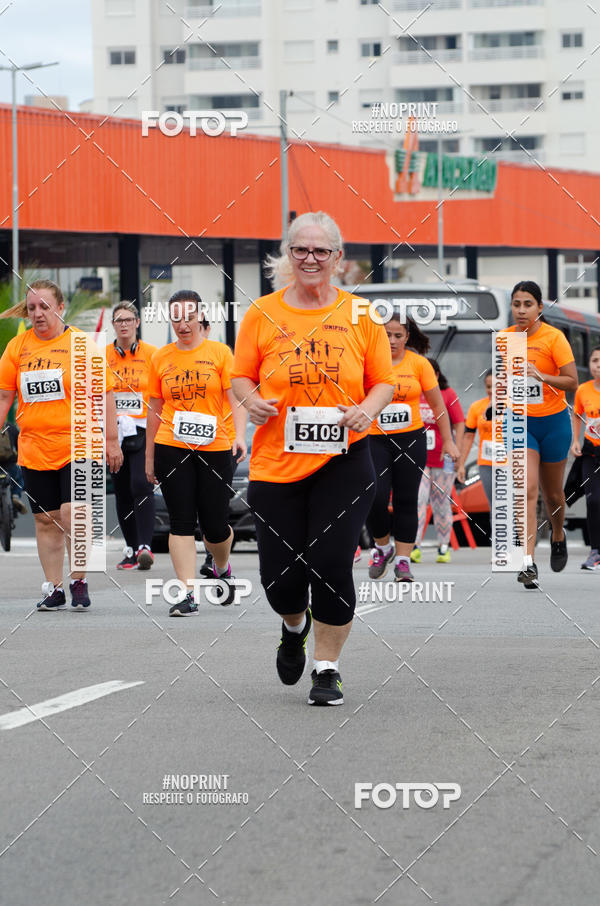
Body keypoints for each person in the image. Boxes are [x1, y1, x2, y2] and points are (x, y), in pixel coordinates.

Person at [231, 210, 395, 706]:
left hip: (344, 460)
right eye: (300, 249)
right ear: (288, 254)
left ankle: (327, 668)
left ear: (338, 259)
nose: (310, 258)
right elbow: (240, 375)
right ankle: (293, 626)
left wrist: (366, 411)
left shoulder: (361, 315)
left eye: (321, 250)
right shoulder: (261, 312)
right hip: (276, 463)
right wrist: (251, 400)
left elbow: (383, 381)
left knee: (329, 562)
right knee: (280, 578)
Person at [0, 279, 122, 610]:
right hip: (35, 447)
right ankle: (54, 588)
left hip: (79, 443)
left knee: (74, 513)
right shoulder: (18, 347)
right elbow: (4, 397)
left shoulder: (82, 346)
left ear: (61, 307)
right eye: (32, 308)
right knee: (46, 519)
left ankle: (79, 579)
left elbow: (106, 393)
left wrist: (112, 441)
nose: (38, 314)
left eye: (45, 306)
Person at [145, 290, 247, 617]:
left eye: (188, 317)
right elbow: (154, 410)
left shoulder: (220, 353)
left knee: (215, 525)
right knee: (181, 521)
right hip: (171, 444)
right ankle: (188, 593)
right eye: (176, 318)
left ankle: (221, 565)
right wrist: (149, 457)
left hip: (215, 446)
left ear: (201, 317)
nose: (182, 324)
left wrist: (240, 436)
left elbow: (237, 399)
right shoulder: (161, 358)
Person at [367, 317, 460, 583]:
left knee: (407, 500)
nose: (392, 341)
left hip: (410, 439)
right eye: (387, 335)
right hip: (375, 438)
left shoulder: (419, 364)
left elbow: (438, 406)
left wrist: (449, 441)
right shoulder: (368, 360)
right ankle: (383, 547)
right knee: (375, 496)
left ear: (407, 336)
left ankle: (404, 562)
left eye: (398, 335)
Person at [500, 280, 577, 588]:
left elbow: (571, 381)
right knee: (526, 489)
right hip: (519, 422)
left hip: (554, 423)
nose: (521, 310)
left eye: (527, 304)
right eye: (516, 304)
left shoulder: (553, 338)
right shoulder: (503, 339)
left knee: (553, 494)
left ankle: (558, 534)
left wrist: (541, 376)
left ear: (540, 308)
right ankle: (528, 562)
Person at [106, 301, 157, 570]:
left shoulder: (152, 354)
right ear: (113, 325)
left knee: (141, 483)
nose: (123, 324)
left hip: (142, 428)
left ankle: (145, 547)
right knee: (123, 491)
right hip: (114, 432)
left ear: (137, 322)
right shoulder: (103, 356)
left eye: (128, 319)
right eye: (118, 320)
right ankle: (131, 549)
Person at [412, 358, 464, 564]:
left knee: (441, 503)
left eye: (430, 374)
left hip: (444, 459)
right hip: (419, 458)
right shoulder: (414, 394)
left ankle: (443, 547)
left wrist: (456, 449)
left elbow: (460, 423)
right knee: (418, 500)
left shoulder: (447, 394)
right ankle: (414, 545)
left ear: (437, 375)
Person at [571, 346, 600, 570]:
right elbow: (577, 415)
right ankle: (595, 552)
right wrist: (575, 440)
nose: (598, 364)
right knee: (592, 501)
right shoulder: (583, 390)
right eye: (594, 360)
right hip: (591, 452)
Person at [457, 370, 496, 508]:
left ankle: (516, 531)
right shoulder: (476, 407)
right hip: (486, 463)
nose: (491, 390)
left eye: (496, 386)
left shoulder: (516, 406)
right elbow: (468, 437)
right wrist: (461, 464)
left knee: (512, 506)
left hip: (511, 464)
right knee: (494, 506)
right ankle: (495, 531)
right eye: (488, 386)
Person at [0, 421, 27, 514]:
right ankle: (15, 495)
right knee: (19, 477)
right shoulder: (9, 427)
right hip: (9, 464)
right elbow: (20, 447)